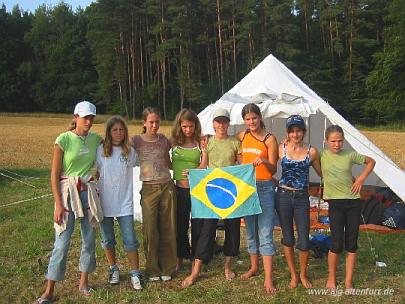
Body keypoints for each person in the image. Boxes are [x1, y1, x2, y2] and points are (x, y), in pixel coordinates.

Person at [34, 101, 103, 304]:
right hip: (66, 194)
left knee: (89, 240)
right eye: (85, 117)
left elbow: (110, 150)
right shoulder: (63, 139)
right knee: (62, 243)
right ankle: (49, 290)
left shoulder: (95, 140)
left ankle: (84, 282)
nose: (88, 121)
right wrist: (58, 203)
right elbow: (54, 174)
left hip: (87, 193)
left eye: (91, 118)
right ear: (75, 117)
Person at [182, 108, 241, 287]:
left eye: (224, 121)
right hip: (212, 191)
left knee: (233, 228)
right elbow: (203, 164)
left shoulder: (235, 142)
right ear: (214, 124)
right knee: (207, 230)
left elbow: (241, 164)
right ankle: (196, 270)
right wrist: (192, 172)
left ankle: (228, 266)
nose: (221, 125)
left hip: (231, 191)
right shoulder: (208, 142)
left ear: (228, 123)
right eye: (218, 121)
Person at [321, 125, 375, 290]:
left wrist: (360, 179)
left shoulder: (350, 154)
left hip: (353, 203)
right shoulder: (321, 155)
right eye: (333, 141)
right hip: (335, 204)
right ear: (326, 141)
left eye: (340, 141)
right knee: (336, 244)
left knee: (351, 244)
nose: (336, 144)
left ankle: (348, 280)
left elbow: (371, 162)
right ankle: (331, 277)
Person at [274, 115, 321, 289]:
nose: (295, 134)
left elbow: (323, 172)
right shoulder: (281, 148)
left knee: (303, 240)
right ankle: (293, 275)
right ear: (287, 133)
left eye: (298, 130)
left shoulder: (312, 151)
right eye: (292, 131)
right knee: (287, 237)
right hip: (283, 196)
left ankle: (303, 274)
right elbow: (269, 164)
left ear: (304, 132)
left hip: (302, 197)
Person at [236, 103, 278, 294]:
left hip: (265, 187)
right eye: (247, 119)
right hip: (247, 188)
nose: (251, 121)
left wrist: (265, 162)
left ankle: (268, 278)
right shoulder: (242, 136)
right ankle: (254, 267)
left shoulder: (270, 139)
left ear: (260, 117)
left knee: (266, 233)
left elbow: (274, 169)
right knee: (250, 231)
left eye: (254, 117)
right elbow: (235, 153)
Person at [96, 116, 142, 290]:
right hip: (105, 202)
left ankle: (135, 273)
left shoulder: (129, 152)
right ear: (108, 132)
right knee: (108, 240)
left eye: (121, 130)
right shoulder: (100, 150)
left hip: (124, 203)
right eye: (114, 130)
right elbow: (96, 171)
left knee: (130, 240)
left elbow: (141, 158)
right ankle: (113, 268)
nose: (118, 133)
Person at [131, 107, 176, 282]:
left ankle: (168, 267)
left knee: (168, 227)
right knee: (150, 229)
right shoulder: (136, 141)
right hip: (149, 188)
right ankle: (152, 269)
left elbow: (171, 161)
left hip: (167, 186)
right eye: (151, 122)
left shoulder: (164, 140)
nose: (155, 125)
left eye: (157, 121)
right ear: (144, 123)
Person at [170, 109, 206, 271]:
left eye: (191, 126)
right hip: (179, 189)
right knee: (180, 225)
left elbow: (204, 166)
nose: (188, 130)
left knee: (198, 224)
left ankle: (196, 258)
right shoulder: (173, 142)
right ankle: (180, 257)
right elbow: (166, 160)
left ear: (195, 126)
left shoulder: (200, 142)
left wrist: (195, 170)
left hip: (196, 189)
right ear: (179, 126)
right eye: (184, 126)